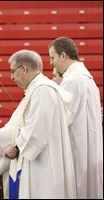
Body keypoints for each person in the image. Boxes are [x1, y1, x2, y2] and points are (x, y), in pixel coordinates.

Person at [0, 49, 76, 198]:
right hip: (40, 161)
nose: (11, 77)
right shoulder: (36, 90)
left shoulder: (43, 90)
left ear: (24, 69)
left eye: (13, 71)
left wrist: (17, 147)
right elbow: (17, 127)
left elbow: (37, 129)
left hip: (44, 165)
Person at [49, 37, 103, 199]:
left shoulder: (72, 80)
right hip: (89, 150)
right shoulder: (87, 78)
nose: (51, 63)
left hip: (77, 151)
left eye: (53, 57)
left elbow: (62, 120)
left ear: (63, 55)